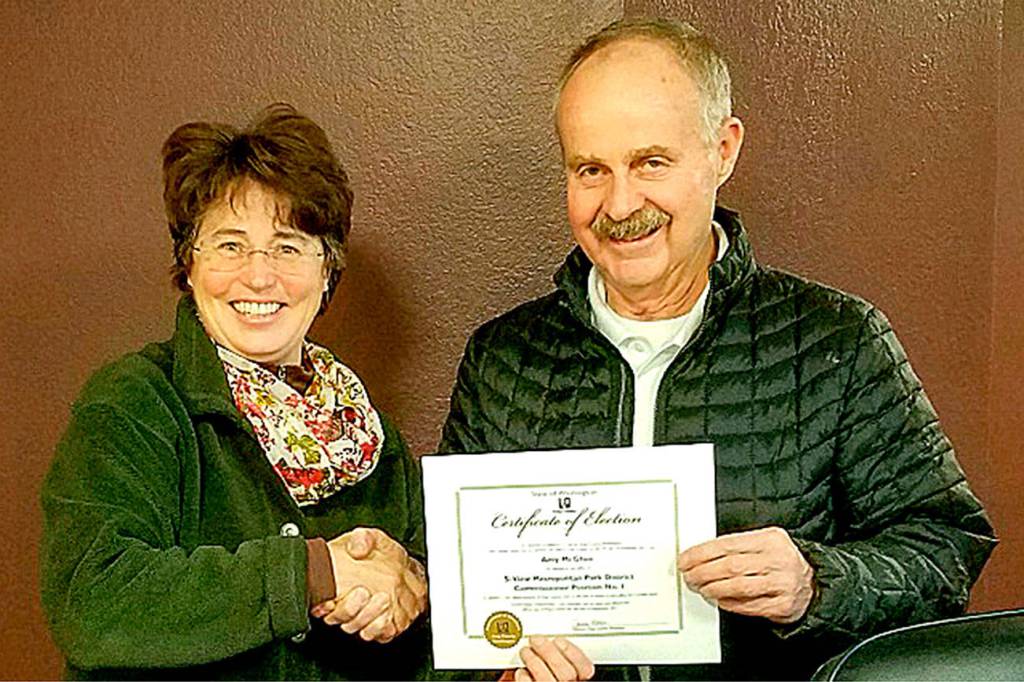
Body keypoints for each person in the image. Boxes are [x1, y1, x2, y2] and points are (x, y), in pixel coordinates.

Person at [439, 18, 997, 680]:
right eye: (591, 170)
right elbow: (455, 599)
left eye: (650, 162)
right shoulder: (502, 360)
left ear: (722, 150)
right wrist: (496, 674)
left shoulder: (837, 341)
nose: (620, 203)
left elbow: (947, 550)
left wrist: (814, 582)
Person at [41, 104, 431, 679]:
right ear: (189, 266)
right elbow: (92, 600)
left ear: (326, 270)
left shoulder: (372, 440)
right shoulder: (135, 402)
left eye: (288, 246)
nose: (259, 275)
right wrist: (310, 573)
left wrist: (414, 591)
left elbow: (425, 646)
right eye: (229, 245)